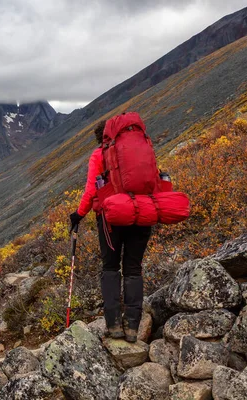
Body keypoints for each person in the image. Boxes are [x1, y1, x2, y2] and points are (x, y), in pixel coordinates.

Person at [69, 120, 152, 343]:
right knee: (133, 269)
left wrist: (78, 214)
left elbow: (90, 190)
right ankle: (133, 327)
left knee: (111, 267)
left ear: (102, 137)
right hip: (143, 212)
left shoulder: (100, 154)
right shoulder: (141, 147)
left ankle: (114, 325)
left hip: (111, 218)